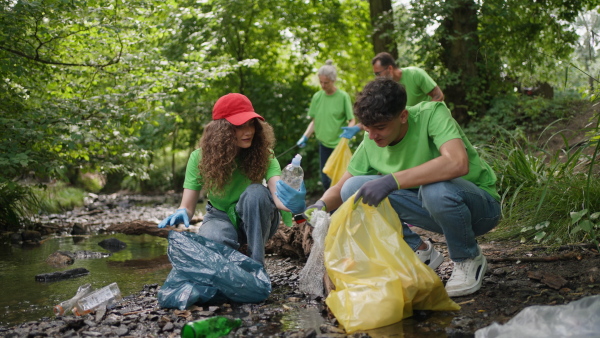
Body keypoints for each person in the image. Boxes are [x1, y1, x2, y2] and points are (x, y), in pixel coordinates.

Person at [305, 78, 501, 297]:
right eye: (367, 128)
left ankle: (468, 258)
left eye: (380, 128)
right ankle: (419, 251)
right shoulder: (371, 139)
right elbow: (342, 186)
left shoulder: (431, 113)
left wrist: (391, 180)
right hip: (432, 209)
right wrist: (320, 205)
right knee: (354, 187)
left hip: (479, 208)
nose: (372, 136)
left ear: (403, 116)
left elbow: (457, 162)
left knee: (433, 189)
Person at [157, 93, 306, 266]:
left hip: (257, 218)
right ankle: (234, 260)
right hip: (219, 218)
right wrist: (182, 212)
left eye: (251, 124)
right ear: (222, 130)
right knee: (212, 240)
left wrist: (294, 203)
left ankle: (257, 267)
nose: (249, 131)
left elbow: (277, 196)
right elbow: (187, 207)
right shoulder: (199, 158)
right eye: (240, 126)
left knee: (256, 192)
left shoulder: (265, 155)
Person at [296, 60, 359, 190]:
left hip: (339, 146)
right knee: (325, 181)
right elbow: (314, 122)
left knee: (339, 180)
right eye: (321, 82)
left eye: (326, 82)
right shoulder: (317, 97)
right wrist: (305, 136)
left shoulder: (343, 97)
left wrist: (350, 130)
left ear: (334, 80)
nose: (323, 85)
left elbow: (352, 119)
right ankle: (330, 209)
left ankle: (342, 209)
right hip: (324, 145)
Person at [372, 52, 445, 107]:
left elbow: (439, 96)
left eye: (378, 74)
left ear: (390, 68)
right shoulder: (387, 88)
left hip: (435, 118)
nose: (377, 78)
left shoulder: (415, 74)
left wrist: (423, 114)